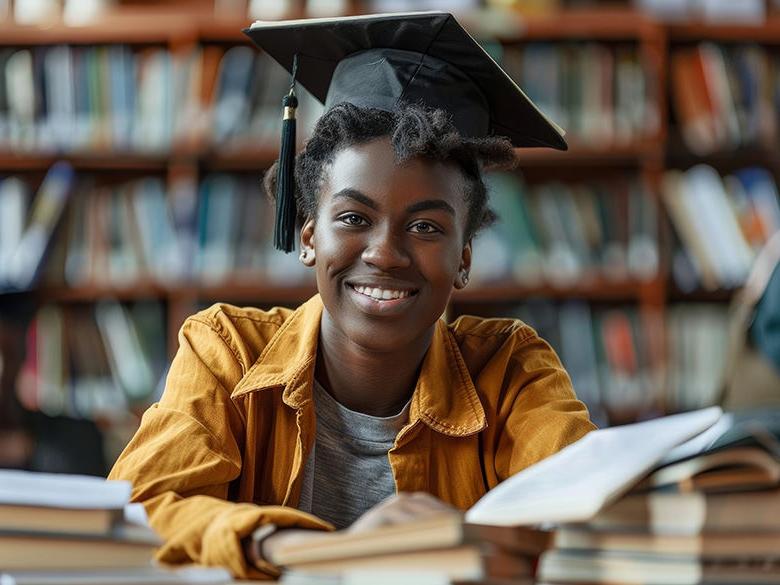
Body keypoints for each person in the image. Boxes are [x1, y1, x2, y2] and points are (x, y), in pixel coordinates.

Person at [109, 12, 595, 579]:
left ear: (465, 257)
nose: (385, 253)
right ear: (310, 234)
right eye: (353, 217)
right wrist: (314, 552)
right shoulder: (226, 353)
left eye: (427, 227)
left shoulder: (511, 372)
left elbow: (584, 509)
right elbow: (140, 515)